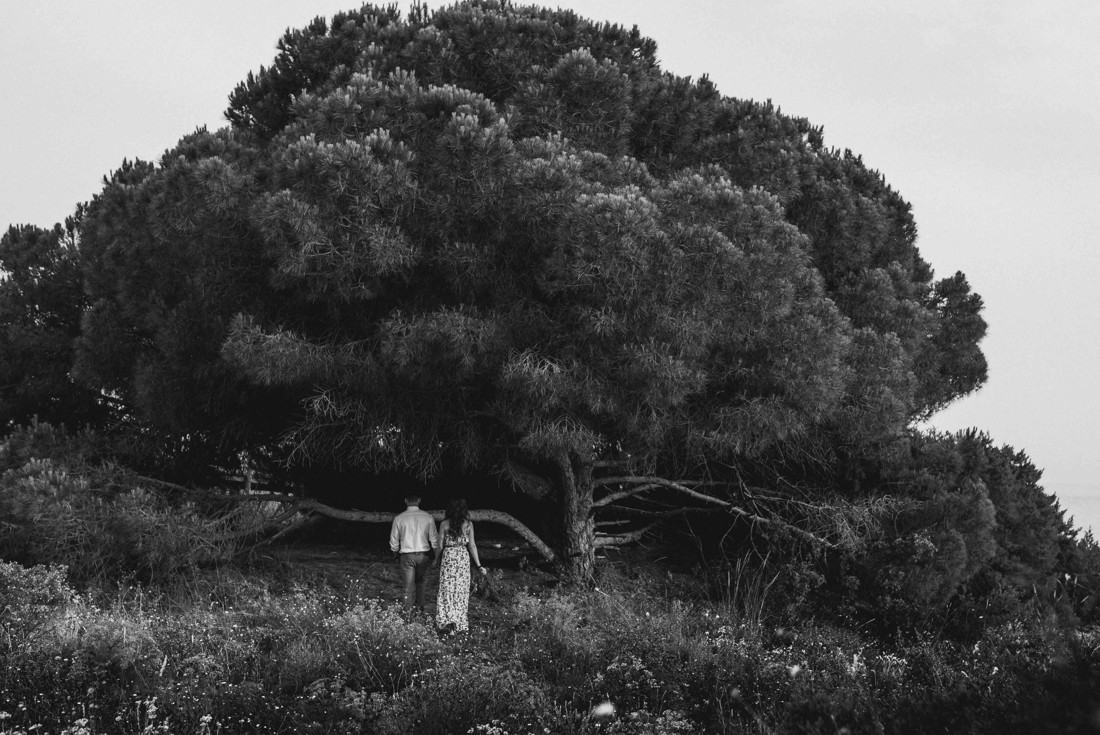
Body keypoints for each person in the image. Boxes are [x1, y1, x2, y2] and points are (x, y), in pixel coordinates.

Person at [434, 498, 487, 633]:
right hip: (462, 557)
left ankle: (447, 622)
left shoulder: (444, 524)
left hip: (449, 556)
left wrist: (436, 558)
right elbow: (472, 545)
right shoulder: (468, 524)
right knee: (461, 590)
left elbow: (439, 544)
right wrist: (479, 565)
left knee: (447, 588)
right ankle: (459, 622)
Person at [389, 493, 439, 614]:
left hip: (407, 555)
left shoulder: (399, 518)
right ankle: (420, 611)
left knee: (408, 587)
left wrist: (395, 555)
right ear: (419, 500)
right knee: (421, 583)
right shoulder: (427, 517)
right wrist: (436, 557)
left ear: (406, 500)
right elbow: (434, 539)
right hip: (423, 555)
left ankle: (407, 613)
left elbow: (394, 540)